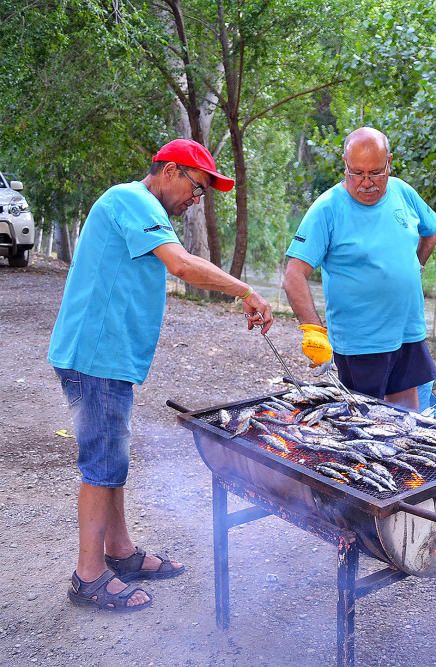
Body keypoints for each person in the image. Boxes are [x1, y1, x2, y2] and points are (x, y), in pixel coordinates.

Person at [48, 139, 274, 612]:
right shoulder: (131, 199)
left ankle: (120, 551)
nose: (197, 200)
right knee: (101, 463)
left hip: (106, 357)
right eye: (197, 188)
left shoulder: (141, 210)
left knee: (112, 456)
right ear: (170, 171)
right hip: (95, 357)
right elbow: (182, 265)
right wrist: (245, 290)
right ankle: (88, 576)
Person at [284, 127, 436, 410]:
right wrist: (313, 329)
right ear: (345, 164)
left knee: (407, 418)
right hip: (361, 340)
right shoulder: (327, 209)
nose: (366, 183)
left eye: (376, 172)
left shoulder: (403, 192)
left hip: (408, 328)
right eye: (357, 173)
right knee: (366, 420)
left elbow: (431, 228)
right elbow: (294, 274)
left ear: (389, 162)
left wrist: (416, 266)